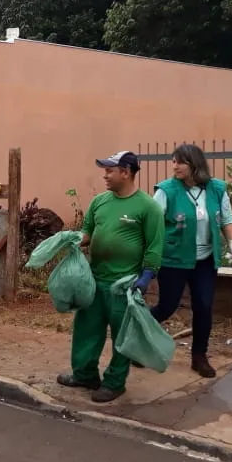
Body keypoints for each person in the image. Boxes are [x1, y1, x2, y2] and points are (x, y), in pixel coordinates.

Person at [57, 151, 164, 403]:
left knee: (122, 336)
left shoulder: (148, 207)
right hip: (94, 280)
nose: (105, 175)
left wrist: (146, 277)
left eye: (109, 170)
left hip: (124, 284)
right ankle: (85, 375)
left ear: (125, 172)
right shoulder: (100, 202)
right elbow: (87, 232)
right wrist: (73, 240)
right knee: (86, 329)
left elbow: (155, 246)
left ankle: (115, 383)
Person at [149, 143, 232, 378]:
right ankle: (136, 344)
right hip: (173, 260)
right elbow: (153, 225)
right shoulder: (166, 190)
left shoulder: (217, 189)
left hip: (205, 260)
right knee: (166, 307)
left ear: (194, 164)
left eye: (180, 162)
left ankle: (199, 356)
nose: (174, 166)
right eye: (173, 161)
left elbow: (227, 218)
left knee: (204, 306)